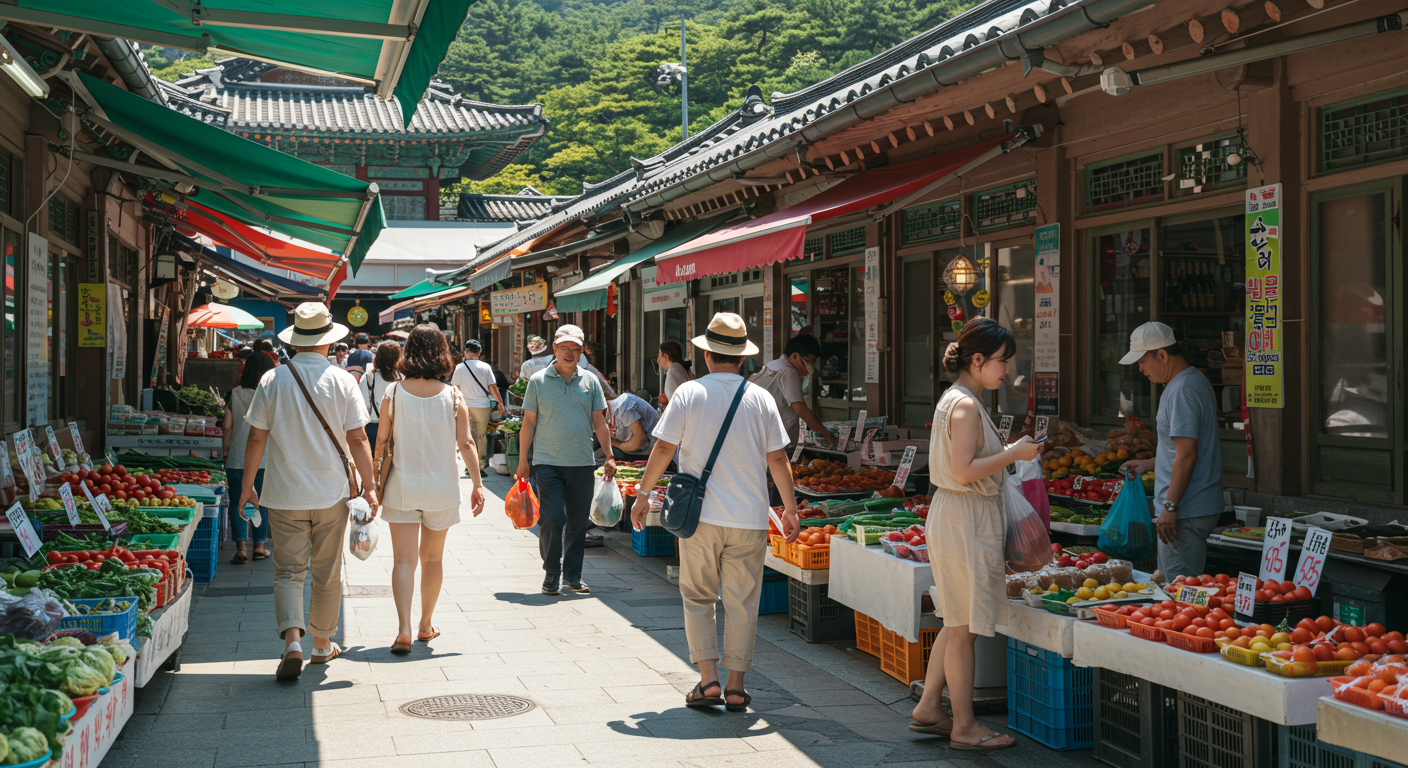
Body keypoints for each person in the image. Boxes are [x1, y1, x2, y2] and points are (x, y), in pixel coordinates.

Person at [629, 312, 801, 713]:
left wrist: (642, 494)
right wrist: (790, 509)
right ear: (742, 358)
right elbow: (778, 458)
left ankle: (708, 682)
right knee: (742, 602)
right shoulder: (761, 398)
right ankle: (737, 687)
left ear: (707, 355)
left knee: (698, 597)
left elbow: (664, 448)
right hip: (749, 519)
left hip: (700, 519)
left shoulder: (689, 394)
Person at [911, 317, 1037, 751]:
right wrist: (1013, 454)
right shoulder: (964, 405)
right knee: (964, 628)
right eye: (1002, 361)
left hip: (958, 515)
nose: (1007, 370)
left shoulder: (957, 399)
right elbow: (965, 471)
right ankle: (964, 726)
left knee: (956, 618)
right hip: (965, 516)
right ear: (977, 360)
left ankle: (930, 707)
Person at [237, 302, 378, 681]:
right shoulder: (343, 380)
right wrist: (371, 486)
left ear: (296, 339)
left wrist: (247, 486)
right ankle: (321, 644)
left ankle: (292, 642)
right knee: (327, 571)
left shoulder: (273, 379)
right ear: (328, 342)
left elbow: (255, 437)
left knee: (287, 572)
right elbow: (358, 438)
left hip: (283, 493)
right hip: (332, 493)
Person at [375, 325, 486, 654]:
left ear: (408, 350)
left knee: (404, 561)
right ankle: (426, 625)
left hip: (402, 485)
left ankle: (404, 629)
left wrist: (371, 483)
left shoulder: (393, 393)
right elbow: (466, 443)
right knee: (433, 559)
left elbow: (381, 441)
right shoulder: (453, 395)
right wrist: (478, 485)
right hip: (442, 488)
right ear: (442, 351)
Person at [1118, 322, 1224, 579]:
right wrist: (1148, 464)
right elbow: (1182, 450)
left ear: (1162, 355)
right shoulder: (1194, 380)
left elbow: (1187, 455)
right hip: (1193, 506)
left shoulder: (1181, 390)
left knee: (1176, 593)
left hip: (1186, 510)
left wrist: (1170, 508)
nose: (1140, 369)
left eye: (1142, 361)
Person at [516, 325, 616, 595]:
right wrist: (523, 460)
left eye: (575, 349)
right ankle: (551, 572)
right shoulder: (538, 381)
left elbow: (600, 421)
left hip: (582, 463)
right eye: (565, 348)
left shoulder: (590, 381)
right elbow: (528, 422)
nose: (570, 353)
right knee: (552, 517)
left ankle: (572, 575)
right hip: (547, 462)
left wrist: (609, 455)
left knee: (578, 522)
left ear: (582, 352)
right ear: (555, 348)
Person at [223, 352, 276, 564]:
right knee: (261, 502)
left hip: (237, 457)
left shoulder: (235, 393)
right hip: (264, 458)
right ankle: (259, 546)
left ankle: (240, 549)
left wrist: (226, 450)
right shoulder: (272, 393)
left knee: (237, 502)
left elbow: (227, 425)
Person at [750, 333, 834, 450]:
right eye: (810, 361)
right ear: (795, 356)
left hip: (760, 438)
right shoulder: (788, 371)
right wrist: (824, 432)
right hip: (776, 444)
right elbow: (800, 408)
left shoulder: (771, 366)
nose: (812, 366)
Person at [451, 340, 505, 472]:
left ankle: (469, 464)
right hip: (482, 406)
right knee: (481, 436)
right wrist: (500, 403)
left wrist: (453, 405)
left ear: (466, 352)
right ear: (479, 352)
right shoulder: (485, 367)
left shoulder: (459, 368)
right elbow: (492, 386)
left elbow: (455, 388)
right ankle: (480, 464)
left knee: (467, 435)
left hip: (465, 405)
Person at [363, 342, 402, 447]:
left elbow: (363, 404)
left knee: (375, 461)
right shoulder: (403, 378)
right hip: (398, 427)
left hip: (373, 427)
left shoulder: (369, 377)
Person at [605, 392, 660, 461]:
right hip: (642, 453)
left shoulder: (623, 406)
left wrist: (616, 443)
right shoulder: (613, 411)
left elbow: (640, 440)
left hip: (651, 454)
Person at [657, 341, 692, 405]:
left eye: (659, 354)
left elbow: (677, 404)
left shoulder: (672, 373)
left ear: (666, 357)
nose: (657, 359)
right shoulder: (682, 370)